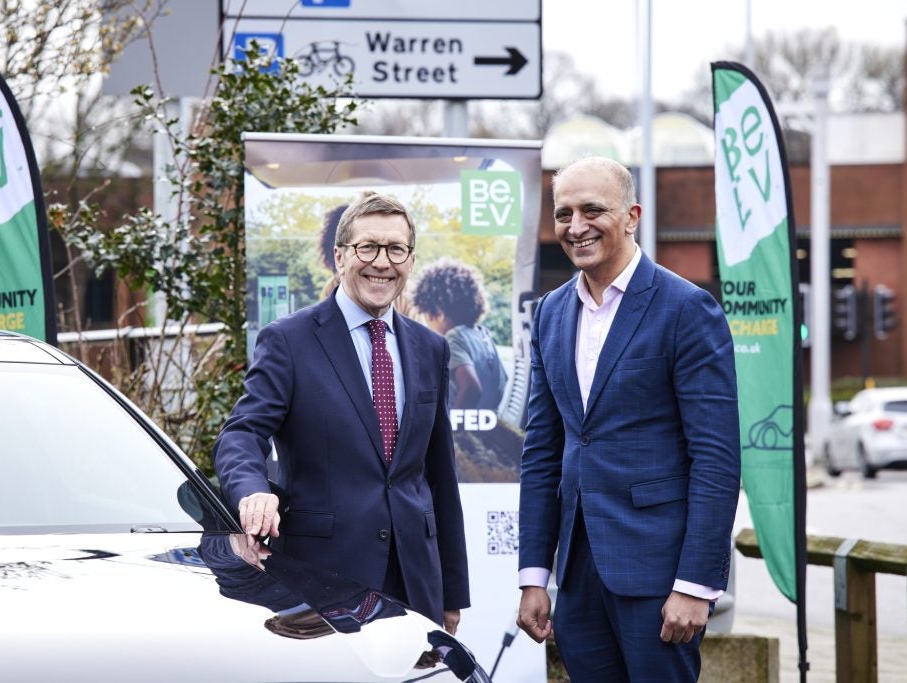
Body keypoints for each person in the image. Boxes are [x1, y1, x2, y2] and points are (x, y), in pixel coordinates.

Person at [516, 157, 741, 682]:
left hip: (662, 580)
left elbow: (716, 459)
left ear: (632, 216)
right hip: (577, 580)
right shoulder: (550, 313)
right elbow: (542, 452)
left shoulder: (687, 308)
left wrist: (696, 585)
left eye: (592, 210)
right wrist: (534, 576)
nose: (576, 226)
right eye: (564, 213)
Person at [213, 192, 470, 632]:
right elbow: (242, 434)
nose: (382, 262)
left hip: (416, 581)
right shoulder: (289, 341)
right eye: (367, 247)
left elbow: (440, 475)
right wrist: (252, 491)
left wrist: (452, 592)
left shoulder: (431, 348)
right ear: (340, 256)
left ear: (411, 260)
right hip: (324, 580)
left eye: (396, 249)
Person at [410, 257, 507, 411]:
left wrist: (454, 422)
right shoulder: (483, 335)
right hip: (485, 417)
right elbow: (502, 380)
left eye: (427, 317)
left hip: (461, 422)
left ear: (439, 314)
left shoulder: (453, 339)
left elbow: (470, 387)